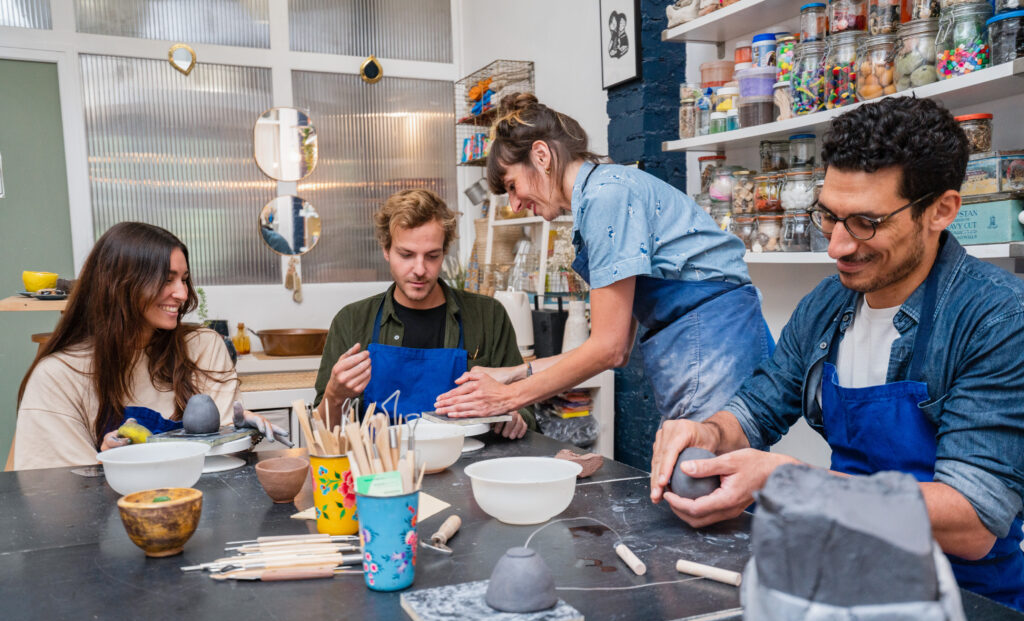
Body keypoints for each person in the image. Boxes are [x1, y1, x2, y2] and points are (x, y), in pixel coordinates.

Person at [650, 97, 1024, 611]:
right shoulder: (829, 303)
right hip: (846, 577)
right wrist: (709, 432)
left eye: (866, 222)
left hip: (965, 604)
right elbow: (759, 407)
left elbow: (972, 521)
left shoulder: (997, 319)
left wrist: (790, 481)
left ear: (941, 210)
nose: (837, 247)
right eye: (829, 216)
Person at [435, 94, 772, 435]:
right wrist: (513, 372)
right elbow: (619, 349)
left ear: (541, 156)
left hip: (714, 340)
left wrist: (507, 398)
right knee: (694, 476)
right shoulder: (602, 192)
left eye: (512, 186)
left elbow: (608, 349)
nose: (516, 203)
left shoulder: (605, 198)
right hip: (697, 341)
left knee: (704, 476)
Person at [14, 221, 284, 470]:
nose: (182, 294)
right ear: (119, 285)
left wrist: (237, 435)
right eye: (167, 279)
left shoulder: (203, 348)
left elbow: (221, 462)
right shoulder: (59, 375)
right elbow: (58, 490)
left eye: (183, 279)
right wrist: (106, 464)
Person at [314, 189, 531, 438]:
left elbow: (525, 407)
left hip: (467, 466)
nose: (420, 269)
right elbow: (323, 433)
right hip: (381, 471)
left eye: (432, 256)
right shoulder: (352, 321)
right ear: (386, 250)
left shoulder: (487, 316)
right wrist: (334, 394)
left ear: (445, 251)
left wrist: (513, 417)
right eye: (406, 255)